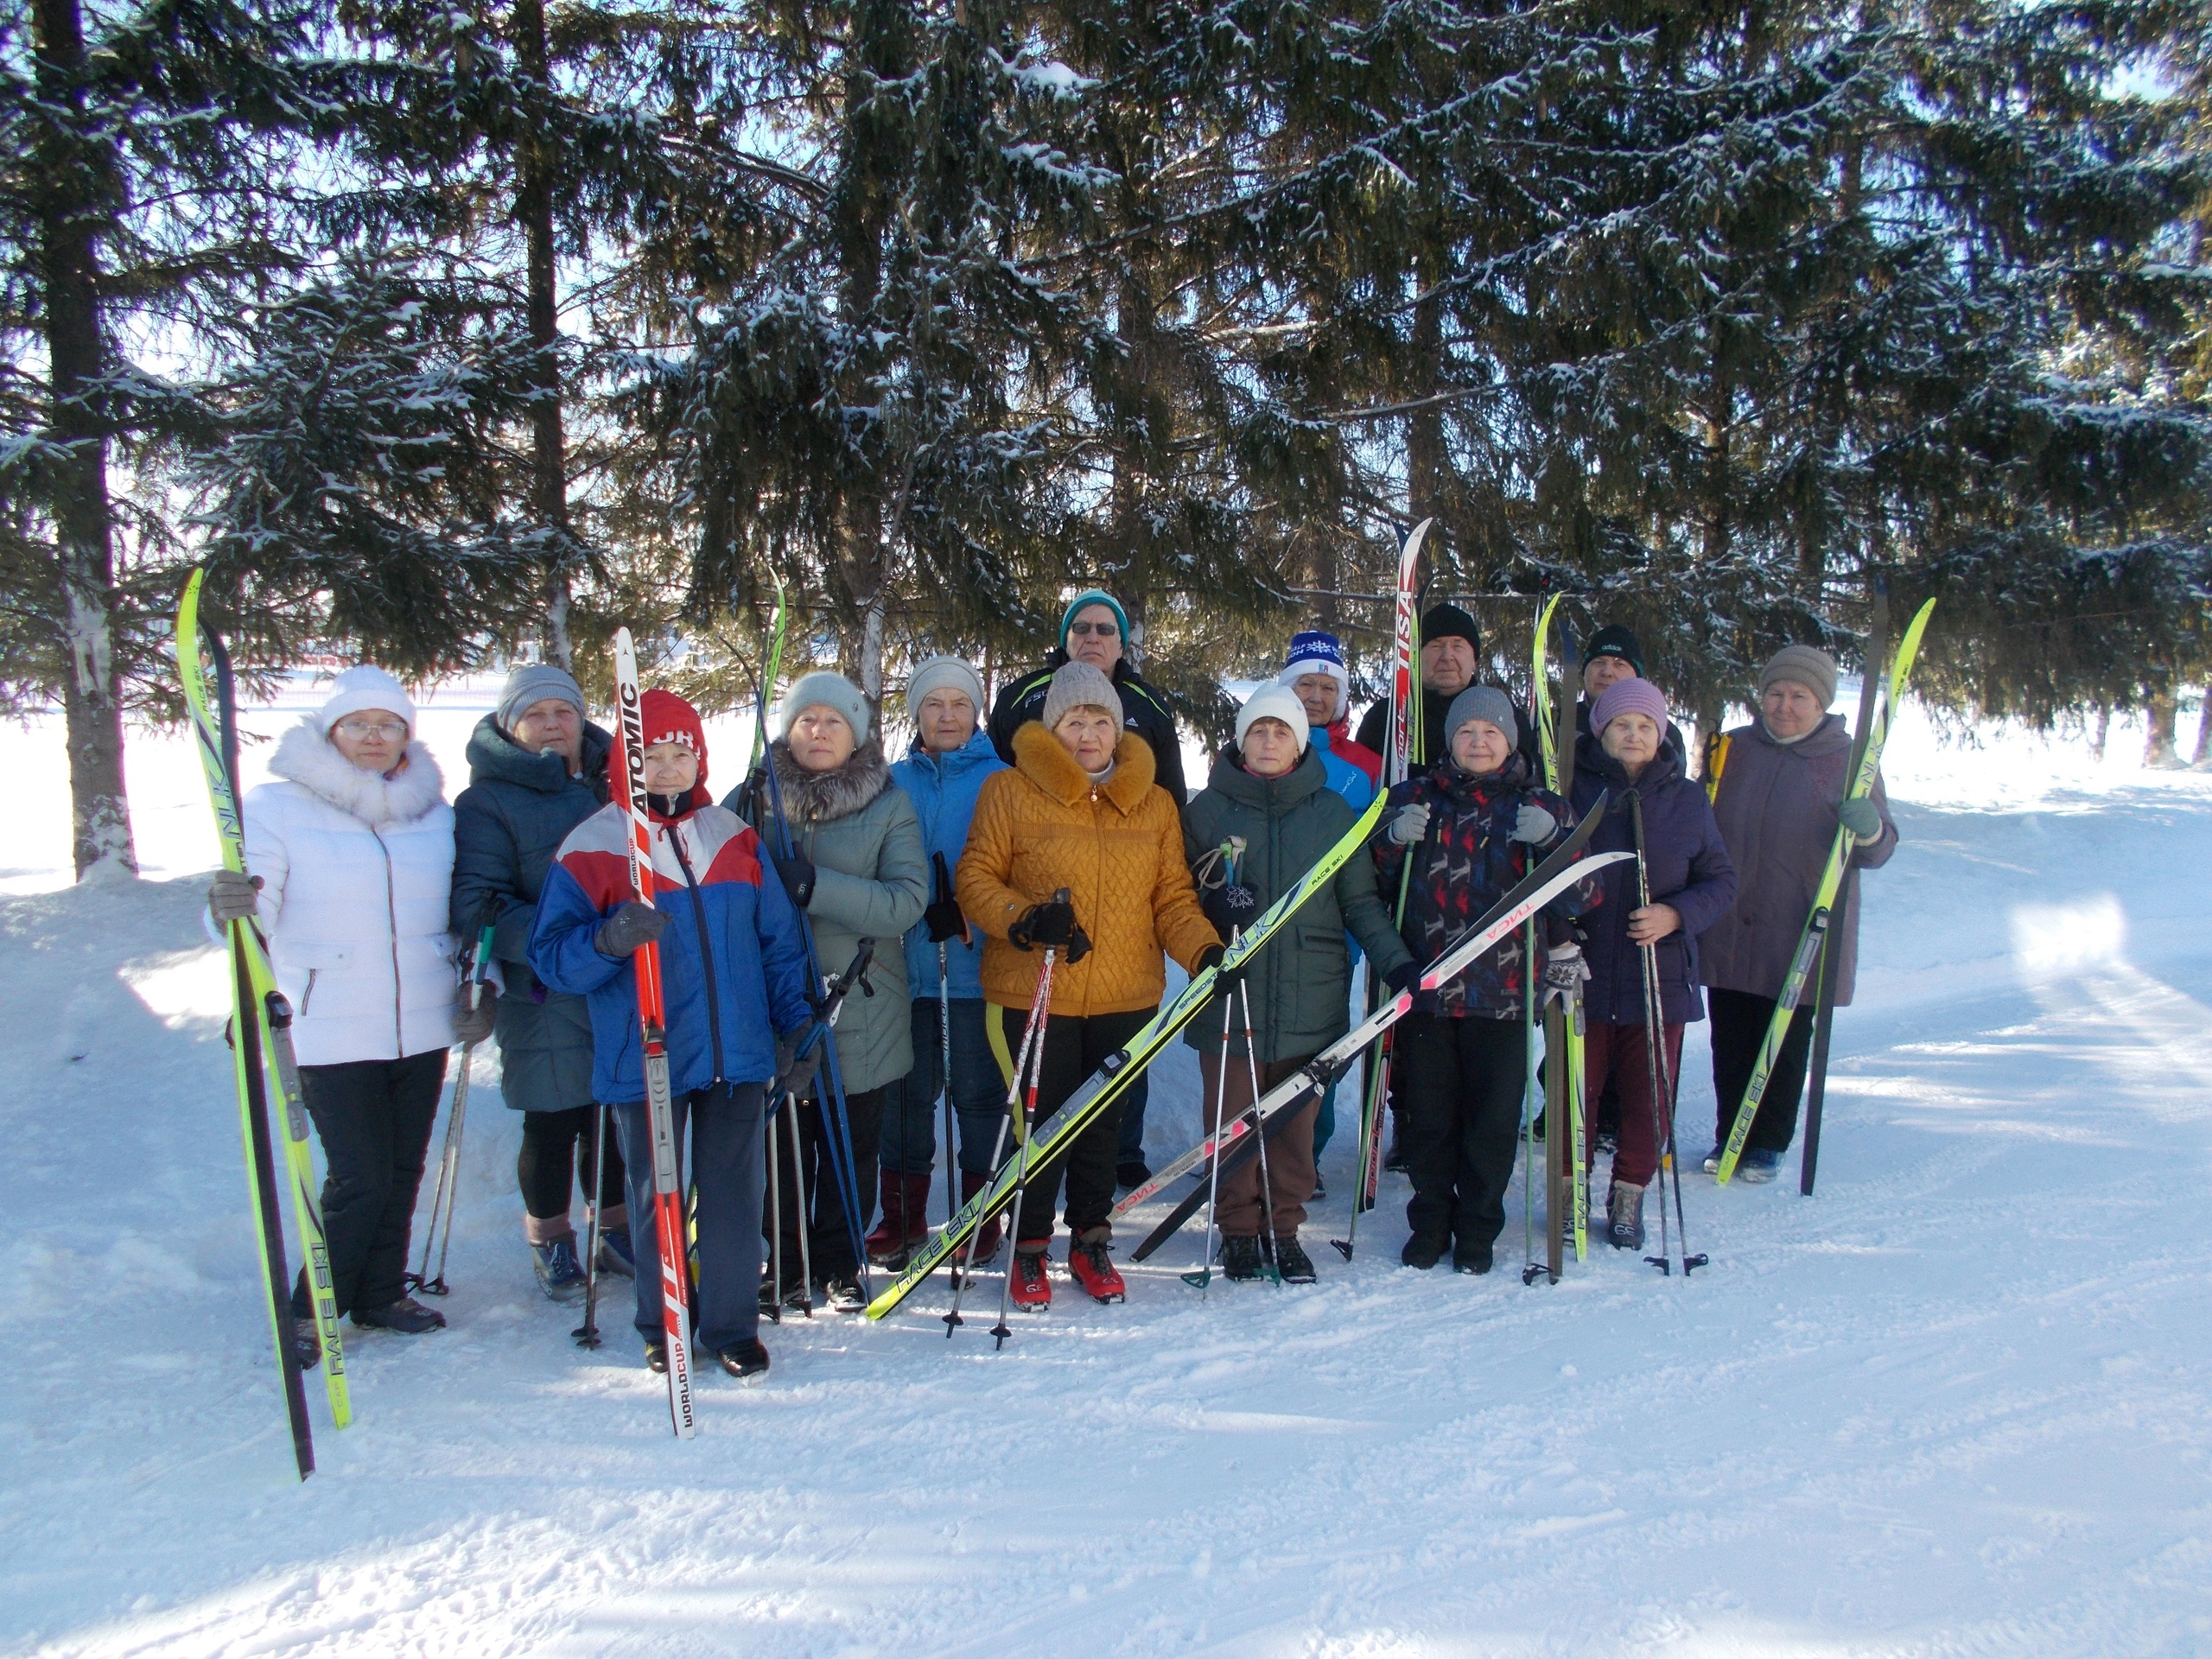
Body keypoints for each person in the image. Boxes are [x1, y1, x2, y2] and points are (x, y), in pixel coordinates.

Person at [530, 689, 813, 1381]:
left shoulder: (732, 836)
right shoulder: (595, 844)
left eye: (679, 753)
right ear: (626, 762)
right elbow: (550, 958)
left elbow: (778, 942)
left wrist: (794, 1028)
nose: (666, 768)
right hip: (648, 1052)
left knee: (734, 1194)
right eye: (649, 756)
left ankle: (730, 1325)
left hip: (738, 1051)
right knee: (658, 1192)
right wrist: (606, 940)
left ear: (699, 758)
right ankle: (663, 1322)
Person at [206, 666, 483, 1361]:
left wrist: (480, 983)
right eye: (358, 724)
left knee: (403, 1169)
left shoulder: (435, 813)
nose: (373, 737)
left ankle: (381, 1291)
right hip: (326, 1020)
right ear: (329, 732)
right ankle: (313, 1308)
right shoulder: (276, 806)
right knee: (357, 1173)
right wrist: (231, 909)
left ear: (407, 737)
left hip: (420, 1017)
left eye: (389, 726)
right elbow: (255, 910)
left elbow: (458, 913)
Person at [957, 660, 1222, 1308]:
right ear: (1052, 726)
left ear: (1117, 728)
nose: (1088, 734)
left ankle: (1091, 1240)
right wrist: (1025, 919)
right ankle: (1028, 1247)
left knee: (1102, 1125)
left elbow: (1173, 899)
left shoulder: (1154, 802)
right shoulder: (1009, 792)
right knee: (1038, 1124)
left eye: (1100, 720)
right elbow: (975, 878)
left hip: (1125, 994)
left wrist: (1204, 951)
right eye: (1074, 720)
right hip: (1033, 988)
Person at [1181, 686, 1415, 1281]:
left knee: (1293, 1126)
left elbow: (1360, 903)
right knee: (1233, 1120)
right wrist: (1212, 919)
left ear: (1299, 741)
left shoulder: (1332, 814)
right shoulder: (1207, 811)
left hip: (1312, 994)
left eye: (1281, 731)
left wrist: (1397, 963)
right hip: (1232, 995)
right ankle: (1237, 1229)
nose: (1268, 741)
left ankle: (1282, 1228)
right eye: (1258, 730)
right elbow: (1176, 901)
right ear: (1240, 739)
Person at [1372, 685, 1593, 1274]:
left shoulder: (1540, 805)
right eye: (1467, 732)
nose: (1478, 741)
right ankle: (1431, 1223)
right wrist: (1393, 840)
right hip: (1427, 992)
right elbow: (1367, 881)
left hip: (1506, 993)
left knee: (1493, 1125)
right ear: (1450, 740)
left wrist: (1551, 841)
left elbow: (1584, 897)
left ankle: (1478, 1228)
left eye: (1490, 733)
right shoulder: (1413, 796)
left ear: (1510, 742)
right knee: (1427, 1119)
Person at [732, 671, 928, 1313]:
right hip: (774, 1000)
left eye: (834, 721)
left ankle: (840, 1260)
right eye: (807, 719)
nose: (819, 731)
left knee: (851, 1142)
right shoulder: (753, 799)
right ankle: (784, 1262)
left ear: (858, 736)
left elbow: (905, 903)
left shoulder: (888, 805)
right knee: (782, 1143)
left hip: (861, 1003)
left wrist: (816, 887)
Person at [983, 588, 1185, 1188]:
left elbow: (1166, 799)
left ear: (1122, 644)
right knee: (1042, 1110)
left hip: (1124, 964)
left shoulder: (1148, 703)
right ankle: (1031, 1226)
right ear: (1066, 638)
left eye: (1105, 629)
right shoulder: (1024, 699)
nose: (1092, 638)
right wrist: (1020, 912)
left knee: (1111, 1099)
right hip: (1039, 961)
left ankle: (1114, 1172)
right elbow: (999, 774)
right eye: (1081, 628)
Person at [449, 664, 632, 1303]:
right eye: (537, 714)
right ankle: (550, 1234)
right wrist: (572, 939)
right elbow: (478, 903)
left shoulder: (619, 781)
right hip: (543, 985)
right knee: (553, 1116)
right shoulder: (487, 802)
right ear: (510, 725)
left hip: (621, 978)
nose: (554, 724)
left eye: (565, 712)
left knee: (610, 1111)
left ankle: (613, 1228)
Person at [1700, 645, 1897, 1180]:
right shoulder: (1732, 749)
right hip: (1730, 918)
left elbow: (1880, 849)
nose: (1784, 705)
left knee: (1784, 1036)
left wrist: (1870, 829)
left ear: (1822, 703)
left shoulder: (1850, 760)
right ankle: (1730, 1135)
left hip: (1800, 923)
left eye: (1798, 696)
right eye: (1775, 693)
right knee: (1731, 1032)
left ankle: (1766, 1141)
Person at [1567, 679, 1737, 1247]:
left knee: (1648, 1098)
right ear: (1602, 731)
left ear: (1661, 734)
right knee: (1577, 1093)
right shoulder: (1572, 790)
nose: (1633, 735)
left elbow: (1721, 881)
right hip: (1584, 973)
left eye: (1645, 726)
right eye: (1621, 725)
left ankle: (1628, 1198)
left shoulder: (1687, 799)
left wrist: (1675, 913)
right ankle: (1572, 1196)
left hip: (1658, 975)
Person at [878, 655, 1009, 1270]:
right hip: (904, 969)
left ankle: (981, 1213)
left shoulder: (1002, 780)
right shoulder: (891, 781)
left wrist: (973, 912)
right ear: (917, 713)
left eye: (960, 704)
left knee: (978, 1094)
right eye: (935, 704)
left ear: (976, 711)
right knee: (905, 1095)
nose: (948, 715)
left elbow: (1020, 867)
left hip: (974, 965)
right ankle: (903, 1217)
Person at [1281, 629, 1381, 798]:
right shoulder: (1255, 751)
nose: (1316, 698)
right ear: (1287, 690)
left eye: (1328, 688)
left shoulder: (1368, 766)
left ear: (1339, 699)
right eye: (1306, 684)